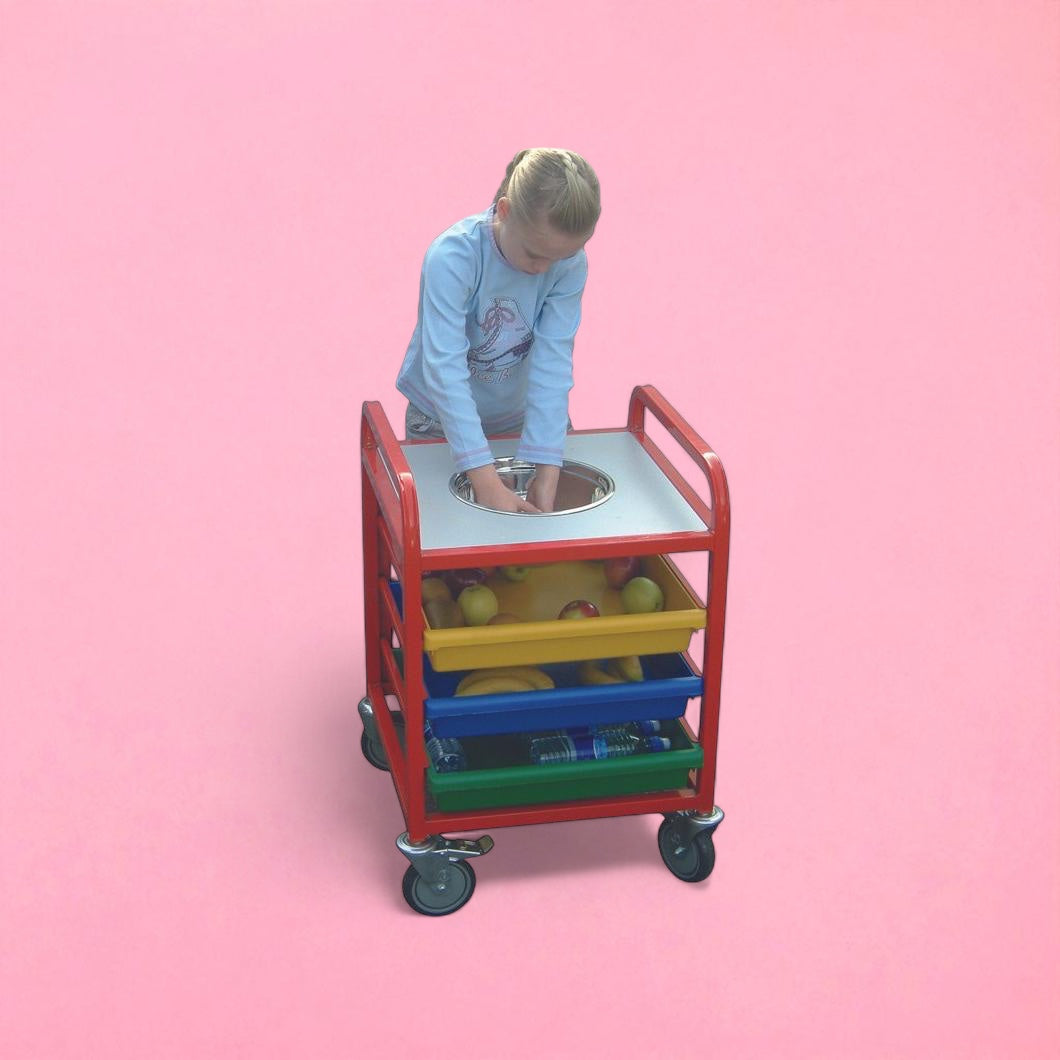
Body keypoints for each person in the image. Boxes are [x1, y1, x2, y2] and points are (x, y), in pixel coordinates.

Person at [396, 148, 600, 513]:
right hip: (439, 421)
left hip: (520, 417)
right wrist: (484, 478)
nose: (544, 269)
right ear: (504, 212)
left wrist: (547, 465)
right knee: (453, 548)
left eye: (561, 257)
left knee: (546, 533)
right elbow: (444, 368)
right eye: (535, 254)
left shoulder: (569, 264)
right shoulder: (453, 257)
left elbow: (554, 362)